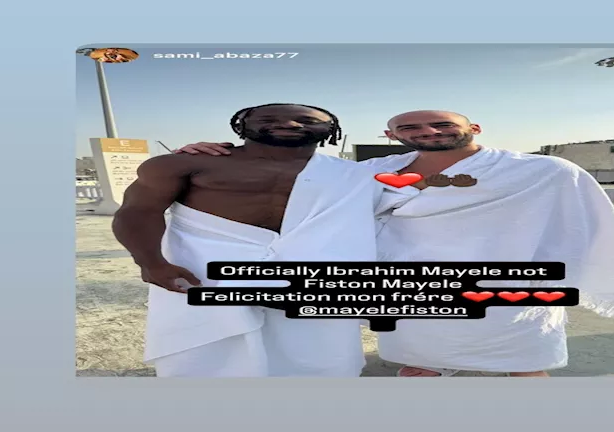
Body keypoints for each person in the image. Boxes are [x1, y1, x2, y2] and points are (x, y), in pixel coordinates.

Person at [174, 110, 614, 378]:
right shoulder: (369, 171)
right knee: (419, 359)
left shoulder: (545, 170)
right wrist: (221, 152)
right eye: (411, 128)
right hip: (410, 285)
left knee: (523, 364)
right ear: (391, 136)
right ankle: (424, 387)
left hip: (506, 284)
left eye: (440, 124)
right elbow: (297, 177)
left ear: (473, 126)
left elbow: (584, 224)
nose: (428, 132)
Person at [112, 103, 407, 377]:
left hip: (310, 280)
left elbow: (428, 176)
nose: (290, 124)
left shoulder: (356, 173)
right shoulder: (181, 164)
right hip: (205, 272)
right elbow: (138, 211)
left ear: (332, 129)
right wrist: (151, 262)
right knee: (207, 358)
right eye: (268, 119)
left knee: (319, 356)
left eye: (306, 120)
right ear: (240, 125)